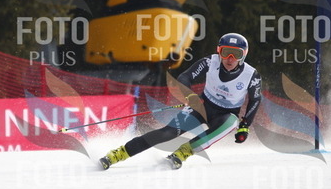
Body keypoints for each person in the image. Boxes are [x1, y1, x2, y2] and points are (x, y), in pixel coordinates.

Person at [99, 33, 262, 170]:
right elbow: (185, 77)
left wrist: (245, 125)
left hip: (225, 115)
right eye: (226, 52)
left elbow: (255, 99)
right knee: (167, 133)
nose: (230, 59)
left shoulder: (251, 75)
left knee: (231, 122)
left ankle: (183, 152)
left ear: (243, 55)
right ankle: (117, 154)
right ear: (219, 51)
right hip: (201, 106)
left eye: (236, 54)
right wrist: (190, 96)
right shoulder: (210, 62)